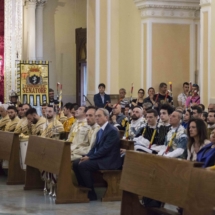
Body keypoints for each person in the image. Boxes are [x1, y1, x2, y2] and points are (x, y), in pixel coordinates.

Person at [73, 108, 121, 200]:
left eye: (99, 116)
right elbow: (95, 147)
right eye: (96, 116)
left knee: (84, 165)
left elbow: (105, 149)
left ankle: (91, 193)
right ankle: (83, 188)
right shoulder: (100, 130)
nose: (97, 118)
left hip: (109, 160)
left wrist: (90, 158)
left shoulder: (112, 131)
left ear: (106, 117)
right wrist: (87, 156)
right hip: (101, 158)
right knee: (76, 163)